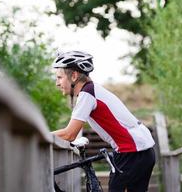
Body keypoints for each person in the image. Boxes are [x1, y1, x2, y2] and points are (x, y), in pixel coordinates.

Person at [51, 50, 155, 192]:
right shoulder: (92, 90)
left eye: (59, 77)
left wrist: (41, 135)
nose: (57, 83)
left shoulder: (87, 94)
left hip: (132, 153)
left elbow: (70, 134)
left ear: (74, 76)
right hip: (140, 151)